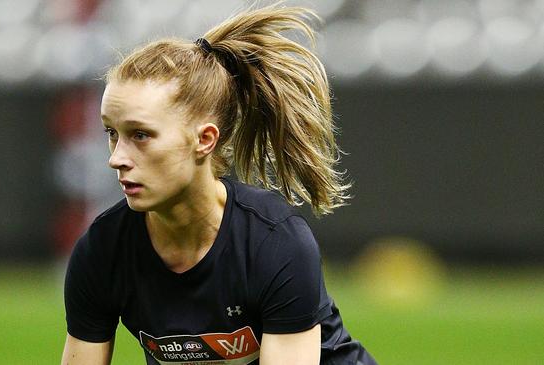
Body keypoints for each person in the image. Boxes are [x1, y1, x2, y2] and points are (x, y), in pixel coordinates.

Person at [61, 4, 377, 365]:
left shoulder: (275, 242)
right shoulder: (102, 251)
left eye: (141, 135)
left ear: (205, 140)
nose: (116, 157)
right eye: (111, 133)